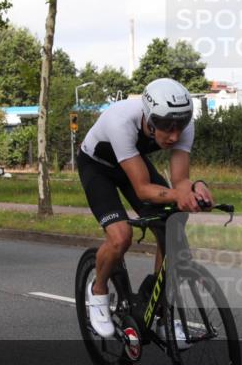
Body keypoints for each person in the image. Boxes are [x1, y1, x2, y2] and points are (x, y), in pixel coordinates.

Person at [77, 78, 213, 338]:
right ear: (149, 119)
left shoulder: (182, 124)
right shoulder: (121, 122)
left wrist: (196, 188)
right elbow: (141, 188)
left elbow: (180, 181)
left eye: (180, 127)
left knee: (172, 224)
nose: (174, 135)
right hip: (98, 168)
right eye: (166, 128)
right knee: (120, 237)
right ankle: (99, 291)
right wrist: (178, 195)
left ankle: (160, 310)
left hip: (131, 161)